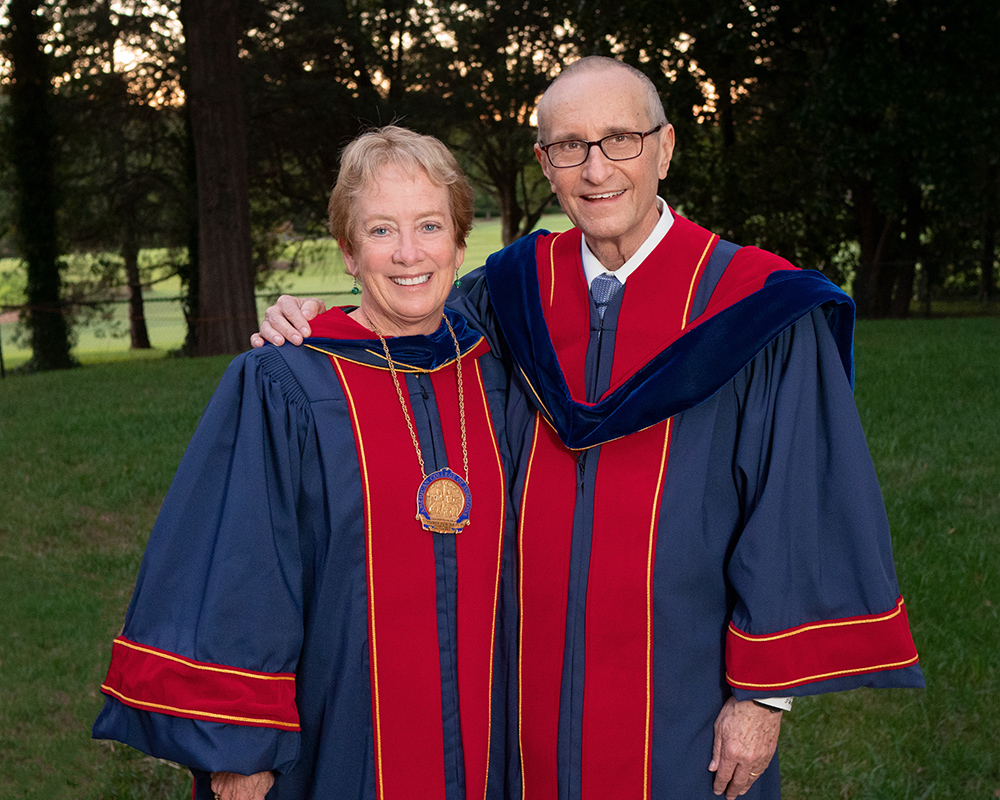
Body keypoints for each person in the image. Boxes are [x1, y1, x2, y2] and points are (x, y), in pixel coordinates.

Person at [252, 57, 923, 800]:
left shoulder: (756, 309)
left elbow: (793, 505)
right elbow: (409, 325)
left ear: (665, 149)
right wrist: (314, 320)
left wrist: (763, 699)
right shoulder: (509, 292)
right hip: (518, 692)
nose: (596, 168)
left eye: (621, 140)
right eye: (570, 145)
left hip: (684, 702)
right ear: (545, 163)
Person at [93, 126, 519, 800]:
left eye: (429, 225)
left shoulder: (501, 376)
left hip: (490, 741)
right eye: (381, 231)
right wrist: (241, 747)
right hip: (339, 736)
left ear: (460, 243)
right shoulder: (285, 384)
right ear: (349, 252)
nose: (409, 252)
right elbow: (240, 570)